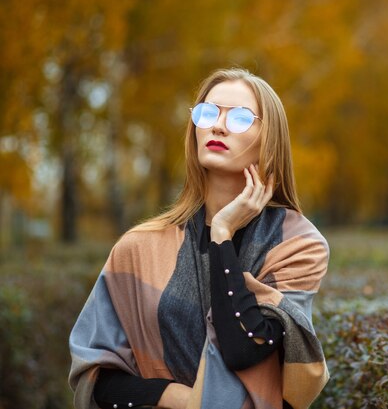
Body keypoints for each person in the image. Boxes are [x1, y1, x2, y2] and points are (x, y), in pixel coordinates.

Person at [69, 68, 330, 409]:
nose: (217, 126)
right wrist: (173, 396)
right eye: (207, 113)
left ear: (271, 140)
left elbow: (245, 347)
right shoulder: (138, 248)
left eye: (239, 118)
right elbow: (97, 379)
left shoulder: (297, 246)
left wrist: (221, 235)